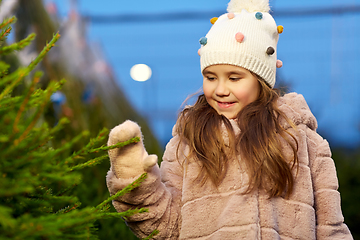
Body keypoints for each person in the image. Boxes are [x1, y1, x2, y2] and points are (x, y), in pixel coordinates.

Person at [106, 0, 353, 239]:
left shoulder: (305, 142)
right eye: (211, 77)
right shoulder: (189, 142)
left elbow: (332, 229)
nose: (220, 89)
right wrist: (134, 180)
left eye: (234, 78)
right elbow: (165, 227)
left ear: (261, 81)